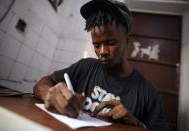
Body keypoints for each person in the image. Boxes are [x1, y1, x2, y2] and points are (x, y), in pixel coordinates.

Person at [33, 0, 170, 130]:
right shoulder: (85, 67)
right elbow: (41, 84)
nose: (102, 52)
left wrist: (137, 124)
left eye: (111, 43)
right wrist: (50, 94)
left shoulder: (147, 92)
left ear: (127, 41)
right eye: (96, 45)